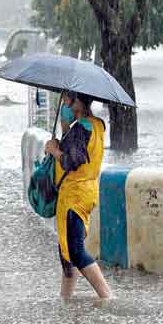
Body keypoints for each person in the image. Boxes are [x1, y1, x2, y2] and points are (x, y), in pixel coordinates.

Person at [44, 92, 112, 301]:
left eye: (67, 99)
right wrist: (64, 133)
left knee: (74, 250)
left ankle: (107, 296)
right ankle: (65, 300)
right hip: (85, 191)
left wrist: (55, 151)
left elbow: (73, 161)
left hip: (74, 195)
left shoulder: (81, 128)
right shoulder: (97, 125)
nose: (63, 103)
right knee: (66, 249)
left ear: (78, 102)